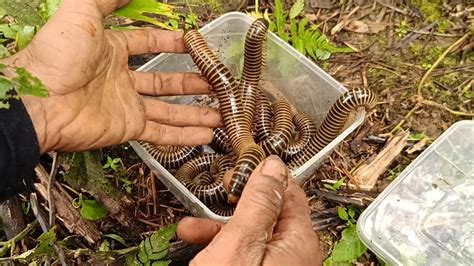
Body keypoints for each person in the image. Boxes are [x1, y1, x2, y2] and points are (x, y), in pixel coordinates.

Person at [0, 0, 323, 264]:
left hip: (240, 143)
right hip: (237, 145)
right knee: (239, 102)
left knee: (242, 100)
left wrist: (28, 113)